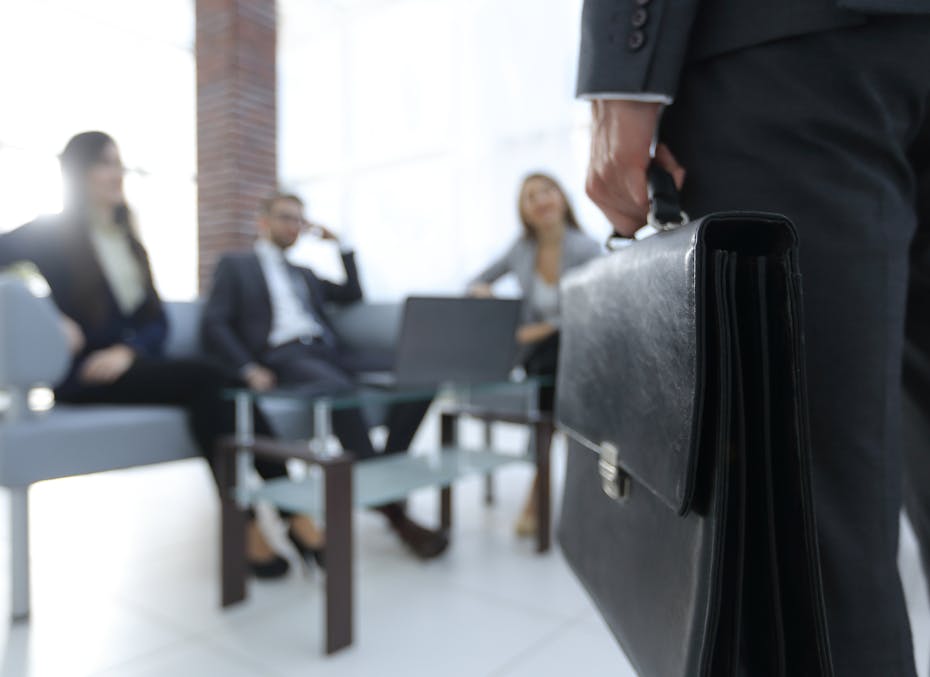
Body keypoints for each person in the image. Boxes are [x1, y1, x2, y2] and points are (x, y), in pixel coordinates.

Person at [578, 2, 930, 675]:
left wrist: (624, 76)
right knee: (812, 517)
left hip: (785, 49)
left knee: (812, 526)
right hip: (799, 50)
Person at [0, 131, 312, 579]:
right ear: (81, 172)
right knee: (213, 378)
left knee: (213, 390)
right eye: (106, 164)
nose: (117, 174)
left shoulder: (127, 236)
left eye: (119, 163)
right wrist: (47, 314)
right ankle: (286, 509)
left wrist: (129, 350)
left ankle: (250, 522)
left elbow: (156, 319)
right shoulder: (51, 234)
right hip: (86, 376)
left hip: (131, 365)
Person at [201, 192, 448, 559]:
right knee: (337, 390)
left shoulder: (305, 273)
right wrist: (248, 368)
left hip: (329, 351)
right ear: (262, 221)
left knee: (423, 371)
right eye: (285, 217)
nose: (293, 226)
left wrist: (341, 245)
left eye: (299, 220)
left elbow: (352, 292)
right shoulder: (236, 265)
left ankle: (379, 477)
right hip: (284, 355)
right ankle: (396, 515)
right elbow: (215, 322)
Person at [468, 173, 601, 536]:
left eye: (547, 191)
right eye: (531, 196)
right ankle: (542, 476)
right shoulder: (520, 250)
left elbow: (593, 307)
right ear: (524, 211)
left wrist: (539, 329)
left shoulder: (586, 248)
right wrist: (492, 303)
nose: (541, 200)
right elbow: (475, 282)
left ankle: (536, 489)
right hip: (539, 358)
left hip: (580, 349)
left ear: (561, 197)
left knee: (551, 380)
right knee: (550, 382)